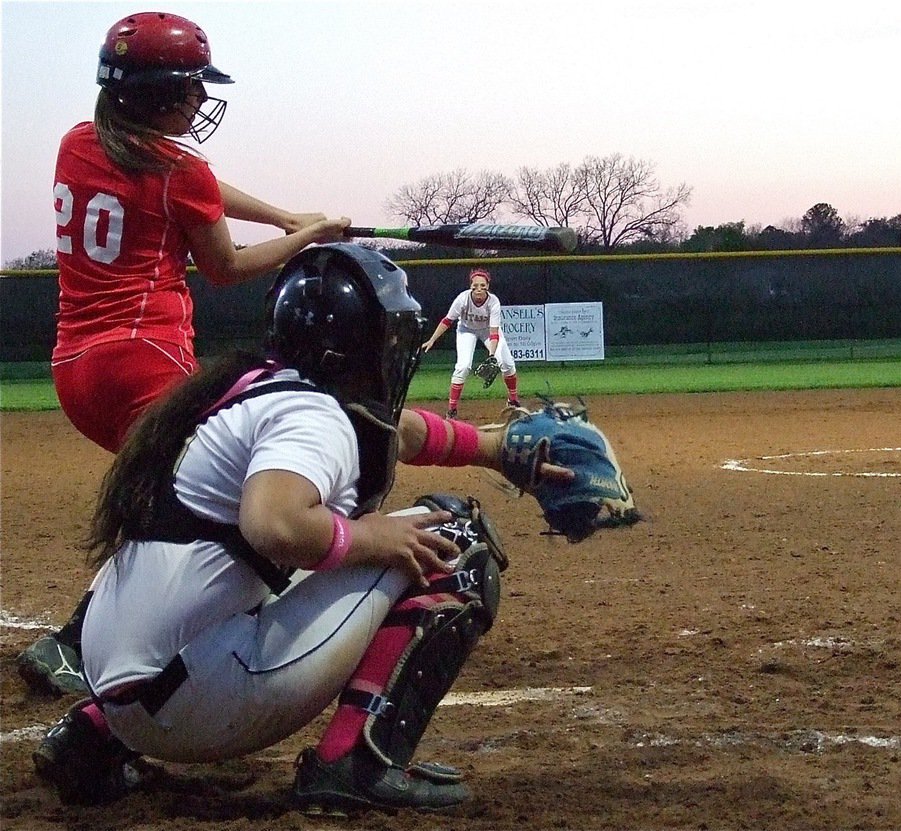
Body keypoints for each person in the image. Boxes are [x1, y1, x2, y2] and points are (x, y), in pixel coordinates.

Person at [31, 243, 573, 813]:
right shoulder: (312, 415)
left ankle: (87, 740)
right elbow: (274, 522)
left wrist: (497, 451)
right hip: (191, 705)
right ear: (359, 344)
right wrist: (374, 537)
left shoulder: (252, 389)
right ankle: (356, 764)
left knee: (291, 551)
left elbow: (394, 434)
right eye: (387, 337)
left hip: (121, 689)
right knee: (454, 543)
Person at [18, 11, 352, 697]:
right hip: (146, 364)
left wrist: (286, 215)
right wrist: (305, 237)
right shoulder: (180, 169)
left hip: (75, 369)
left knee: (167, 498)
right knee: (213, 503)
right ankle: (86, 640)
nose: (201, 99)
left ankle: (96, 637)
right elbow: (224, 262)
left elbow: (190, 185)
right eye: (193, 87)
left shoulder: (77, 142)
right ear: (162, 96)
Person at [420, 268, 521, 418]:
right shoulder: (463, 299)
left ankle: (513, 400)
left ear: (488, 286)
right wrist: (432, 339)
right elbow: (447, 321)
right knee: (463, 366)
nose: (479, 288)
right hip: (466, 330)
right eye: (475, 285)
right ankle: (452, 409)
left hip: (488, 330)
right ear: (470, 286)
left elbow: (494, 332)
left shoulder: (493, 302)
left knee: (507, 364)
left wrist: (492, 355)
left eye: (483, 285)